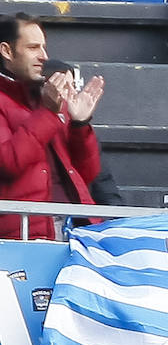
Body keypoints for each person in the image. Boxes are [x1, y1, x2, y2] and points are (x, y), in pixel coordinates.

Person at [0, 15, 107, 240]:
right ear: (7, 51)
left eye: (44, 47)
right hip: (25, 235)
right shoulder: (45, 105)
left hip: (76, 228)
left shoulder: (46, 97)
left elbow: (87, 174)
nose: (44, 57)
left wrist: (80, 124)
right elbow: (7, 162)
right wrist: (48, 113)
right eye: (33, 47)